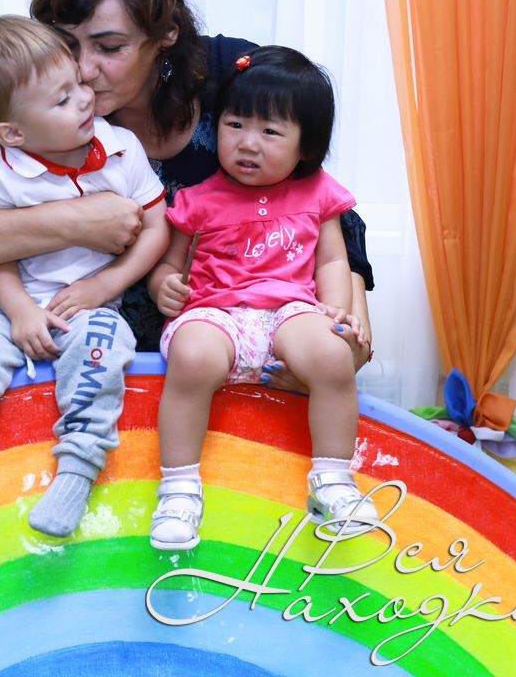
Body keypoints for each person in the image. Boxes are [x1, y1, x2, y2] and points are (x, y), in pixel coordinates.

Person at [0, 0, 374, 378]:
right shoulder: (55, 115)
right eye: (67, 44)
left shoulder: (233, 74)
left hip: (226, 358)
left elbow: (325, 206)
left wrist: (346, 335)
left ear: (167, 34)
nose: (83, 70)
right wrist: (72, 221)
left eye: (110, 47)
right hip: (88, 360)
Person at [0, 16, 169, 580]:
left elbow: (156, 227)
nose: (85, 97)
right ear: (13, 133)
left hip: (90, 303)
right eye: (63, 98)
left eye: (77, 83)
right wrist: (20, 310)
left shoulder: (121, 148)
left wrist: (106, 285)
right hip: (4, 305)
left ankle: (76, 472)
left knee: (103, 355)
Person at [147, 46, 379, 550]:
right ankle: (179, 489)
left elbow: (332, 261)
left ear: (306, 146)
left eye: (270, 132)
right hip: (215, 312)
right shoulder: (197, 199)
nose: (247, 143)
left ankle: (333, 480)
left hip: (289, 311)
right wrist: (163, 284)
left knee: (332, 354)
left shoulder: (318, 193)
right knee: (192, 357)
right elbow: (168, 263)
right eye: (234, 125)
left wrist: (336, 308)